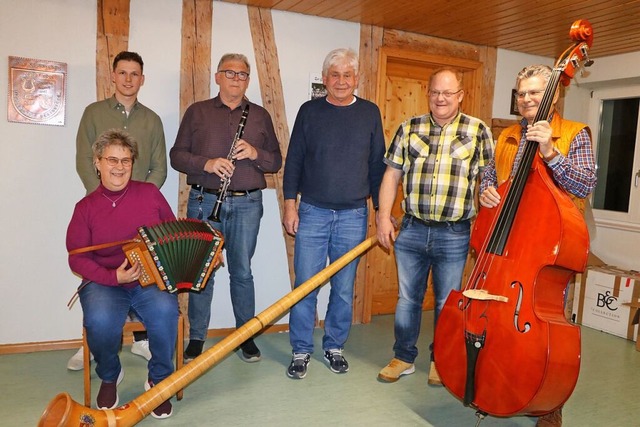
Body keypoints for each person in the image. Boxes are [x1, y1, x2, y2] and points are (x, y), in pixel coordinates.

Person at [479, 64, 597, 427]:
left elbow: (584, 184)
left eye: (535, 92)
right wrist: (484, 191)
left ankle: (548, 404)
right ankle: (496, 384)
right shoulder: (507, 136)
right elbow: (490, 173)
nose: (527, 99)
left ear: (553, 94)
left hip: (548, 249)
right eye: (522, 93)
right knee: (496, 322)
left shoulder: (574, 134)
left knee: (543, 330)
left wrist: (549, 151)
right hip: (507, 242)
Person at [376, 68, 494, 385]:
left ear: (460, 95)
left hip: (455, 234)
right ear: (428, 93)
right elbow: (391, 175)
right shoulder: (409, 128)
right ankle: (403, 357)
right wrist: (383, 216)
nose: (440, 98)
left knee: (447, 303)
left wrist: (485, 227)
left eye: (447, 93)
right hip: (412, 229)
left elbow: (488, 182)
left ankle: (440, 360)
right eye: (435, 92)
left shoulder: (478, 130)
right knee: (407, 300)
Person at [170, 53, 282, 363]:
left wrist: (255, 152)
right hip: (205, 201)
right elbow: (177, 155)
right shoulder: (198, 112)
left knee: (242, 272)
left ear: (248, 80)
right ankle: (196, 338)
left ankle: (245, 336)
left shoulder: (259, 116)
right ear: (218, 77)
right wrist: (206, 163)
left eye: (243, 74)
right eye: (229, 73)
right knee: (201, 272)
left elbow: (276, 161)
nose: (236, 78)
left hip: (248, 202)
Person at [283, 48, 386, 379]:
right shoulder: (309, 111)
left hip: (354, 214)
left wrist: (381, 210)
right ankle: (301, 350)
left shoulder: (370, 113)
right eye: (335, 75)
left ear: (356, 79)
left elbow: (376, 165)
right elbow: (295, 159)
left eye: (348, 75)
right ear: (325, 79)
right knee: (305, 285)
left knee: (343, 286)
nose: (341, 81)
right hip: (312, 211)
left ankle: (334, 346)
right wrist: (289, 203)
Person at [66, 129, 177, 418]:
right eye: (112, 160)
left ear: (132, 164)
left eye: (126, 161)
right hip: (105, 282)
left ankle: (160, 379)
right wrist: (114, 277)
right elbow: (77, 259)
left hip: (148, 280)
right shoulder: (85, 208)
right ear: (98, 163)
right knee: (99, 320)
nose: (119, 167)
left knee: (166, 312)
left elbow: (172, 234)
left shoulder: (150, 194)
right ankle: (110, 374)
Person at [69, 50, 167, 370]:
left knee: (143, 275)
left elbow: (158, 168)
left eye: (134, 74)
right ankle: (97, 342)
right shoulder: (93, 113)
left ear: (142, 79)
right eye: (122, 73)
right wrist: (101, 199)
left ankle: (141, 341)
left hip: (140, 214)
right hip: (104, 208)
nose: (128, 79)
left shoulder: (152, 120)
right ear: (113, 76)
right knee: (101, 274)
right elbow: (85, 160)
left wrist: (140, 198)